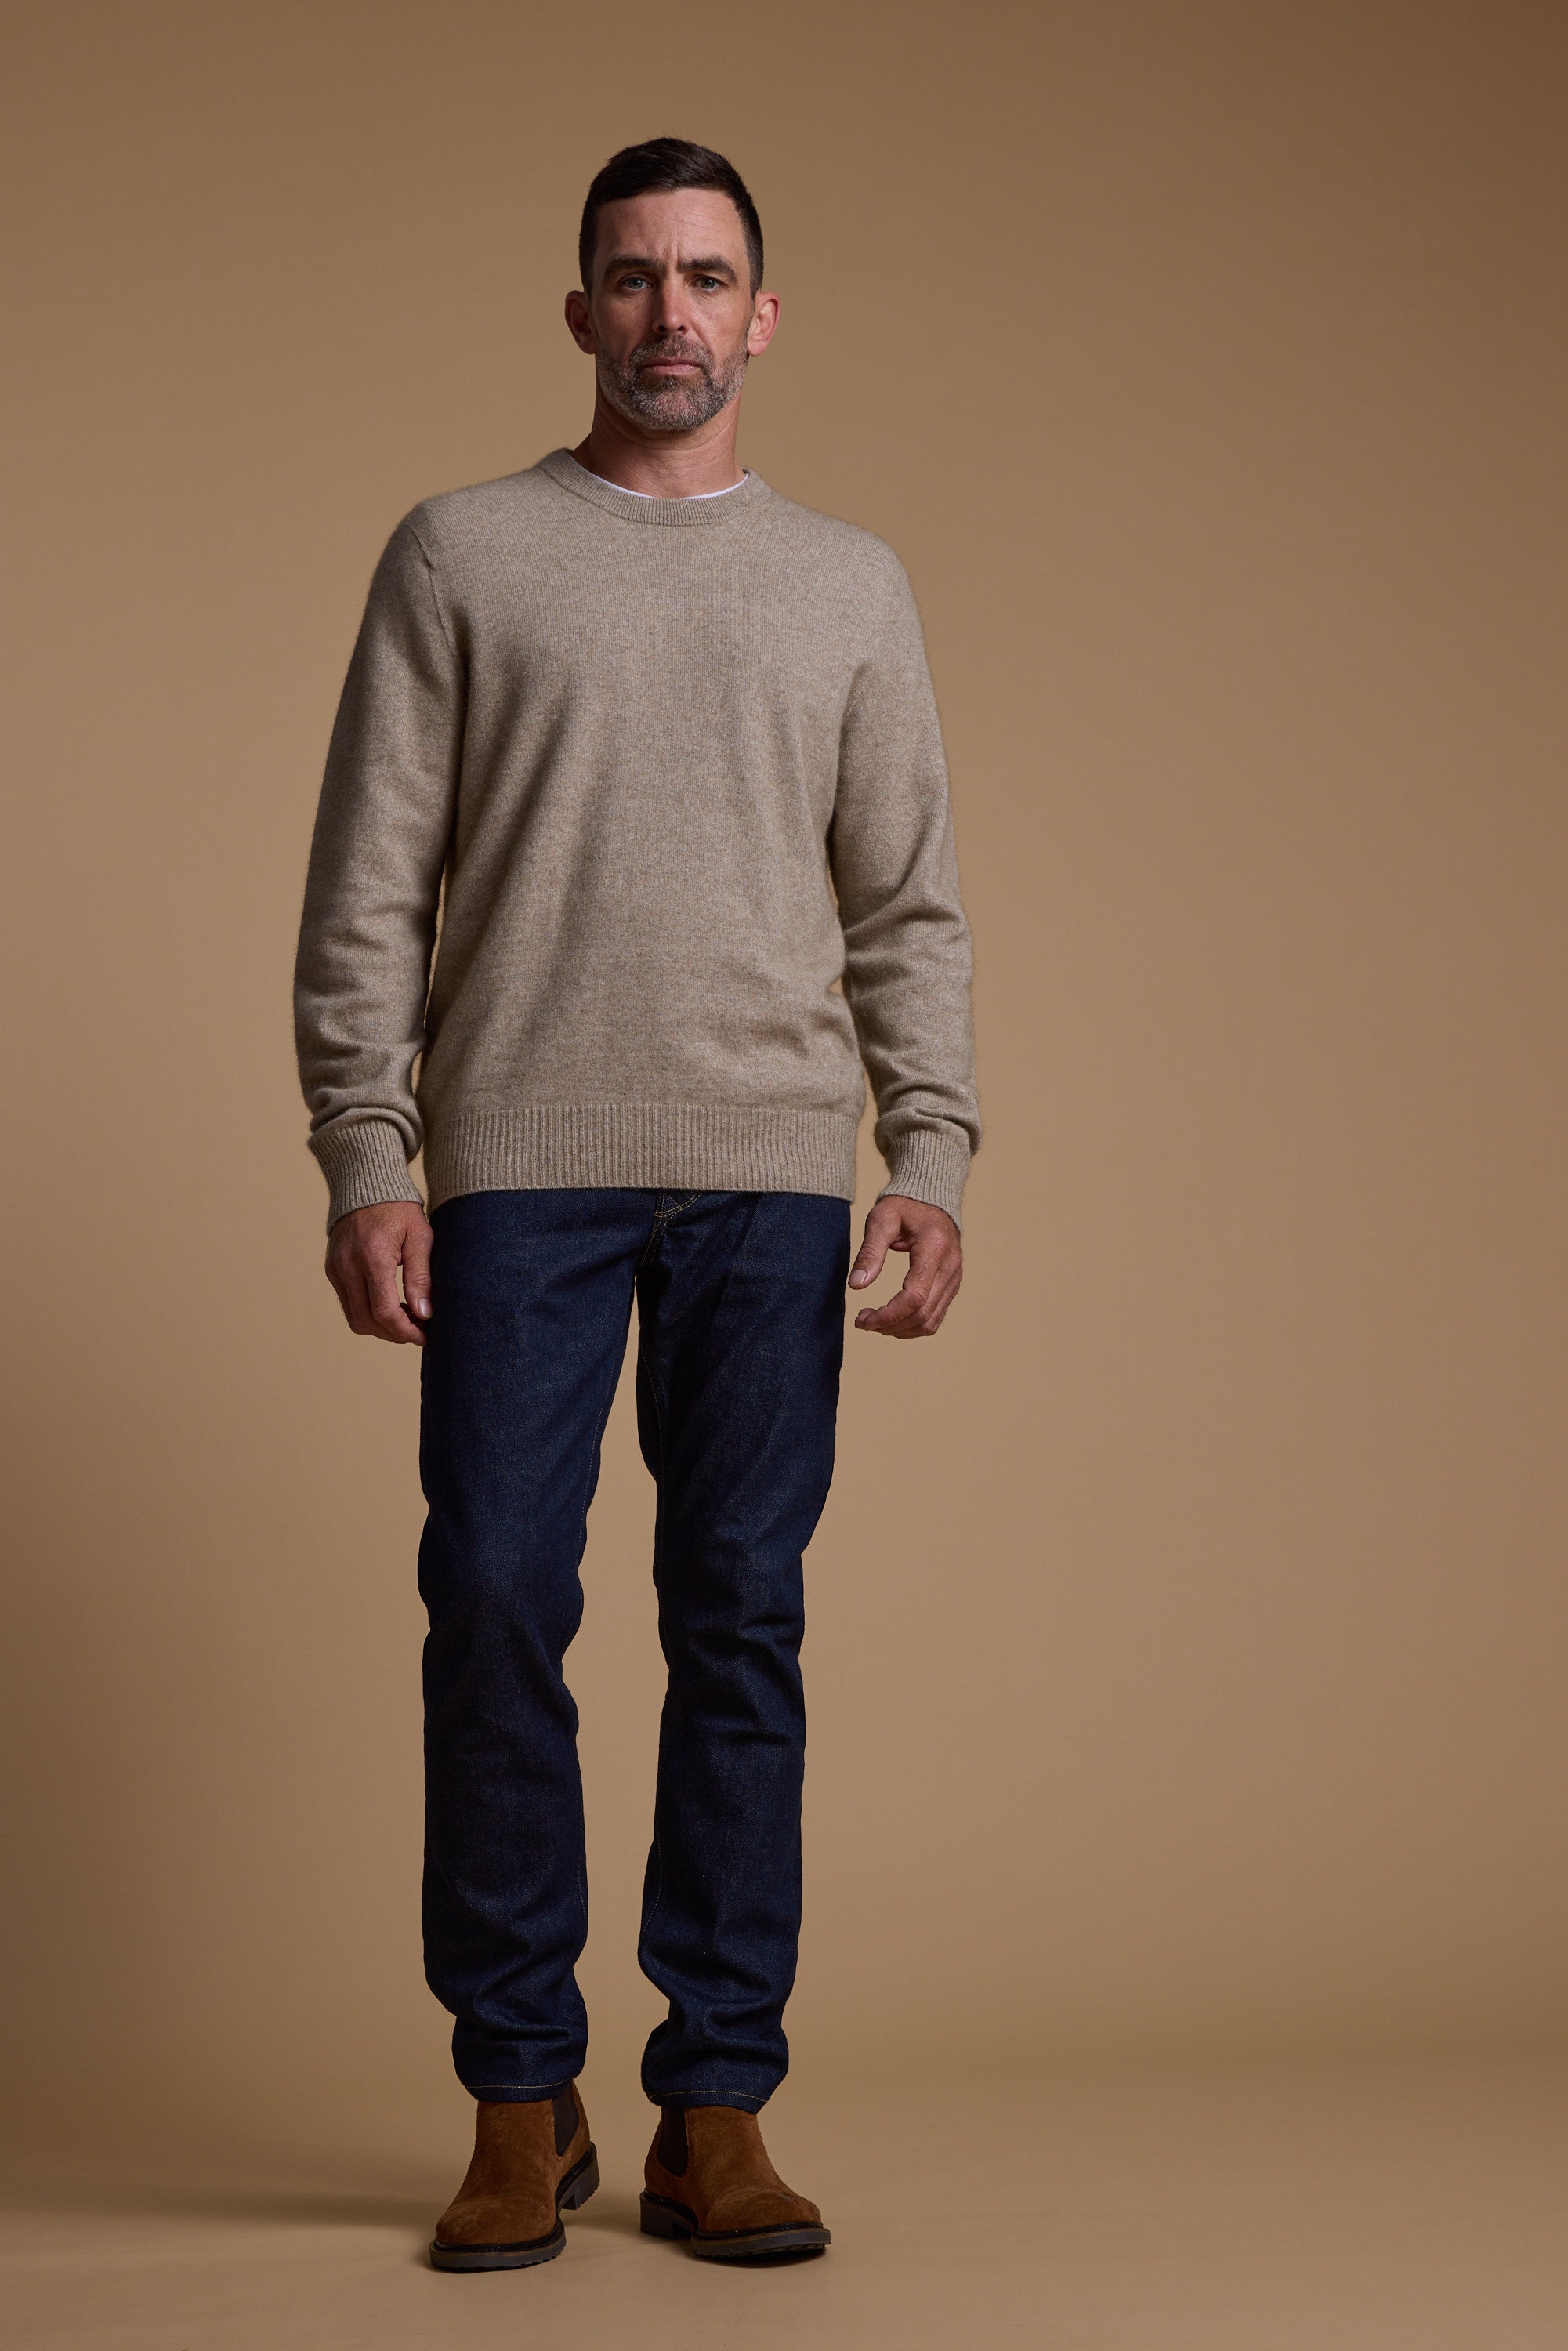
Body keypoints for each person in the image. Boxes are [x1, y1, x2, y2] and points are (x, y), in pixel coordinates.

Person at [293, 136, 980, 2272]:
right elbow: (367, 885)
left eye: (707, 277)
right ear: (577, 310)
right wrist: (366, 1151)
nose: (671, 311)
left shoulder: (847, 583)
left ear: (761, 315)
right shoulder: (460, 554)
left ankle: (714, 2103)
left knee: (737, 1623)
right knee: (496, 1595)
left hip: (770, 1170)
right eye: (631, 275)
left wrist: (928, 1148)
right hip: (519, 1165)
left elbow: (907, 903)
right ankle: (520, 2093)